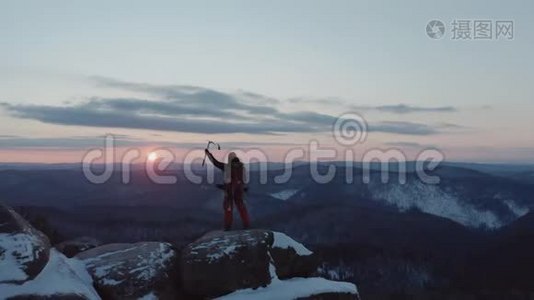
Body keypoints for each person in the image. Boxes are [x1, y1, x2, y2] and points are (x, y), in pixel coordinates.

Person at [205, 149, 250, 231]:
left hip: (229, 191)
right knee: (241, 207)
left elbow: (215, 163)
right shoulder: (242, 168)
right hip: (239, 190)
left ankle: (227, 226)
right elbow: (245, 180)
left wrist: (208, 154)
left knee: (228, 208)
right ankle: (246, 224)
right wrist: (243, 188)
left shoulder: (227, 167)